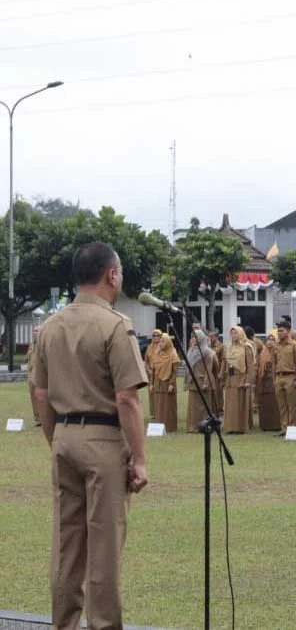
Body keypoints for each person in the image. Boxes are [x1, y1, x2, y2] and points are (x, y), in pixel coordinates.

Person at [31, 242, 149, 630]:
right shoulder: (115, 325)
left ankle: (63, 624)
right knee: (104, 546)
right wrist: (140, 458)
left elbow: (41, 394)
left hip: (64, 435)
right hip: (104, 440)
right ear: (111, 275)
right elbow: (127, 398)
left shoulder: (49, 327)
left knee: (68, 544)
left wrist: (58, 439)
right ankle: (103, 625)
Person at [144, 329, 180, 433]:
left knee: (168, 406)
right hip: (157, 384)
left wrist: (172, 383)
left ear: (168, 342)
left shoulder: (173, 354)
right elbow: (154, 369)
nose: (160, 343)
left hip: (168, 384)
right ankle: (159, 426)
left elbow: (174, 371)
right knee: (159, 406)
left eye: (162, 341)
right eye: (160, 341)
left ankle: (170, 426)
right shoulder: (156, 353)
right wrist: (151, 383)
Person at [272, 321, 296, 433]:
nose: (280, 333)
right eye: (278, 331)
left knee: (292, 405)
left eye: (282, 331)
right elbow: (274, 363)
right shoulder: (276, 346)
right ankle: (284, 427)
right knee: (282, 405)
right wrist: (274, 379)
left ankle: (292, 428)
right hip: (279, 376)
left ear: (288, 331)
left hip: (290, 376)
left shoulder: (294, 345)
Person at [223, 326, 256, 434]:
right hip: (231, 378)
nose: (234, 336)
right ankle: (230, 427)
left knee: (240, 404)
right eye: (232, 334)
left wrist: (248, 380)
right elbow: (227, 364)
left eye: (236, 333)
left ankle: (240, 427)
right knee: (231, 404)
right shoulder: (229, 348)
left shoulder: (246, 347)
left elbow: (250, 365)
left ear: (241, 334)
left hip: (241, 378)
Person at [185, 330, 218, 433]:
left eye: (196, 337)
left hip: (202, 382)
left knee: (203, 407)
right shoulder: (191, 351)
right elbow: (188, 368)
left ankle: (204, 426)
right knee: (193, 407)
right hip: (192, 382)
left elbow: (209, 368)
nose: (193, 339)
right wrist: (186, 381)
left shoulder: (207, 351)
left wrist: (206, 382)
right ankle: (193, 426)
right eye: (192, 337)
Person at [256, 332, 282, 431]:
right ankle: (265, 425)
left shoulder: (278, 352)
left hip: (274, 380)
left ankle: (276, 425)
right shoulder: (263, 353)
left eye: (273, 340)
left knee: (274, 403)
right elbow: (258, 366)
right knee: (264, 403)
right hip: (263, 381)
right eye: (268, 339)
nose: (270, 342)